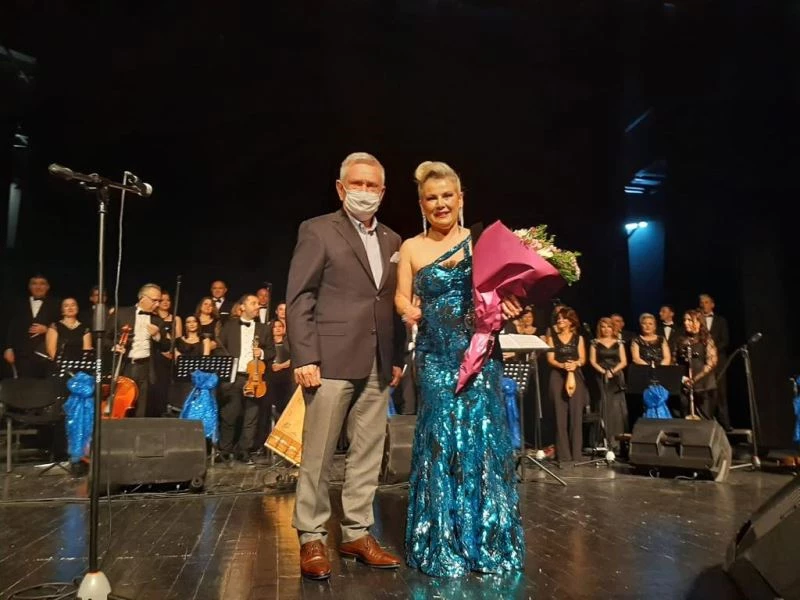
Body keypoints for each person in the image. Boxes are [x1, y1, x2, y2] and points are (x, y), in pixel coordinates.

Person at [395, 160, 524, 578]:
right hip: (435, 357)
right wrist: (408, 309)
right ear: (422, 204)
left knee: (482, 443)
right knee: (440, 444)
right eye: (431, 198)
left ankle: (487, 543)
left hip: (480, 357)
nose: (441, 203)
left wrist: (513, 303)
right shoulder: (411, 248)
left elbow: (504, 293)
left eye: (447, 195)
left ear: (461, 198)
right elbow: (400, 296)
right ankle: (443, 542)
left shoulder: (482, 242)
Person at [286, 152, 404, 580]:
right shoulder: (318, 229)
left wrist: (397, 357)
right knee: (318, 453)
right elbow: (300, 296)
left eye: (372, 186)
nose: (364, 192)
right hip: (330, 359)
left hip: (378, 361)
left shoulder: (393, 239)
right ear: (341, 188)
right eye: (357, 184)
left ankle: (356, 531)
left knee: (368, 453)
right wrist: (305, 355)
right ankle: (311, 535)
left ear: (383, 192)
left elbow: (391, 301)